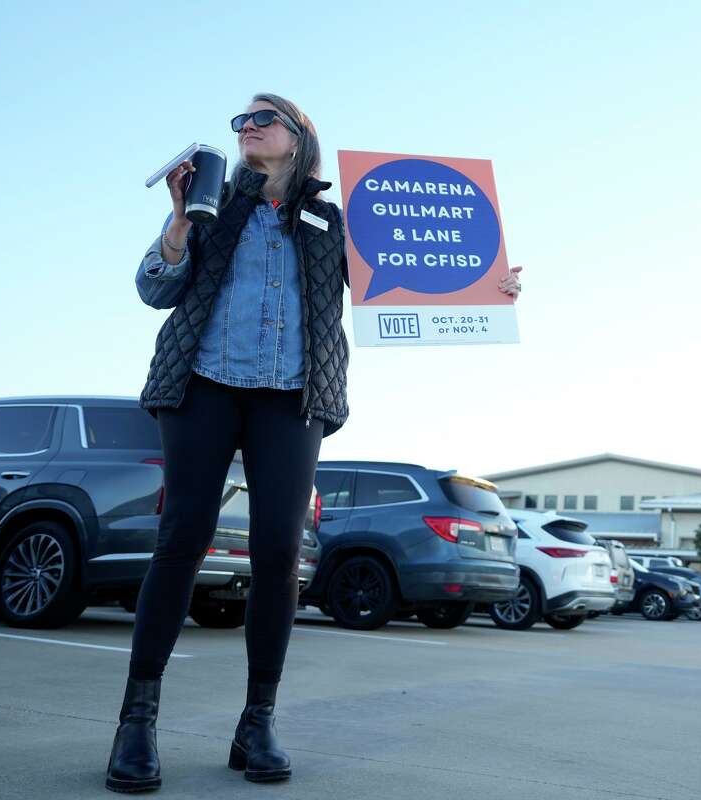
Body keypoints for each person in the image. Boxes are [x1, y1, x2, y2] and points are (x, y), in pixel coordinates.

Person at [106, 93, 523, 792]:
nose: (246, 129)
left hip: (294, 398)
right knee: (182, 538)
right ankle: (136, 722)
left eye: (261, 120)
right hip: (202, 386)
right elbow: (155, 288)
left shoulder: (334, 219)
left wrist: (491, 286)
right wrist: (179, 222)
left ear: (298, 138)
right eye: (239, 123)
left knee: (277, 552)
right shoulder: (213, 205)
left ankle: (257, 721)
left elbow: (412, 279)